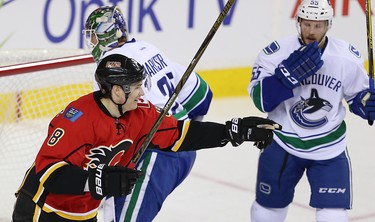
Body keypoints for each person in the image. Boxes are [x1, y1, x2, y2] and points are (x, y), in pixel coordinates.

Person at [12, 53, 280, 222]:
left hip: (83, 211)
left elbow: (180, 135)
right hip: (42, 210)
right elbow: (48, 172)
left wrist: (232, 131)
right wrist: (98, 180)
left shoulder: (142, 114)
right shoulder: (78, 119)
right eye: (137, 86)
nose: (142, 93)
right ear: (117, 91)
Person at [82, 6, 214, 222]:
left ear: (106, 33)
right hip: (181, 151)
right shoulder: (147, 48)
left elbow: (111, 125)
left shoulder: (111, 64)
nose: (92, 44)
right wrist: (184, 134)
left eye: (94, 37)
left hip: (157, 154)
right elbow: (202, 95)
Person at [247, 0, 375, 221]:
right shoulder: (275, 54)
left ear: (328, 25)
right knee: (267, 211)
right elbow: (260, 101)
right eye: (307, 24)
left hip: (329, 148)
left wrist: (366, 104)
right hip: (282, 142)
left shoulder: (346, 57)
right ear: (298, 22)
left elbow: (358, 96)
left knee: (333, 215)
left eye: (318, 25)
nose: (312, 31)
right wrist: (283, 79)